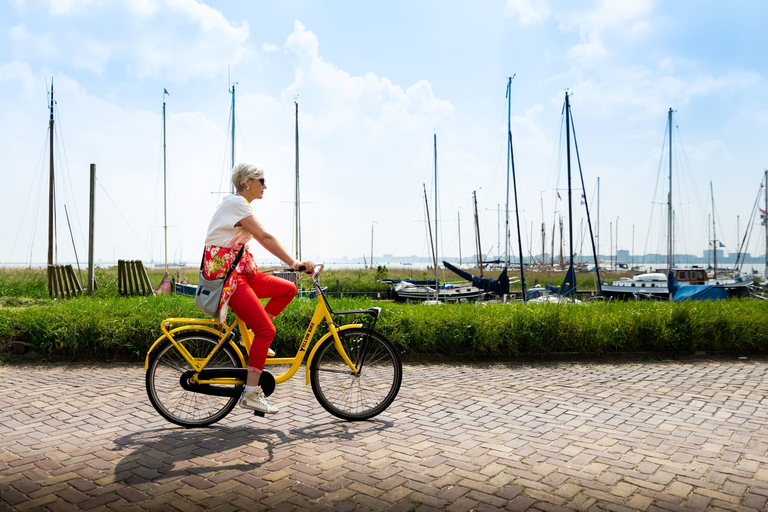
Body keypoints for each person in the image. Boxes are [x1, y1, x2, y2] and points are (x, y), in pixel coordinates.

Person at [202, 162, 314, 414]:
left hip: (241, 272)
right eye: (261, 180)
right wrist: (295, 263)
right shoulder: (236, 204)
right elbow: (265, 237)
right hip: (229, 278)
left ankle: (249, 337)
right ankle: (251, 393)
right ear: (246, 183)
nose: (265, 185)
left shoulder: (240, 205)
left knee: (288, 289)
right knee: (267, 331)